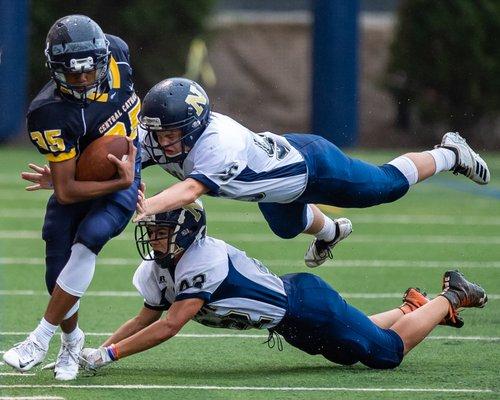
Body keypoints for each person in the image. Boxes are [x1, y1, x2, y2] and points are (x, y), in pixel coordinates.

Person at [23, 77, 491, 268]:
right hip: (272, 190)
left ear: (194, 126)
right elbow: (122, 155)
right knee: (289, 226)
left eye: (170, 134)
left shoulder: (216, 143)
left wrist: (149, 206)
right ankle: (331, 231)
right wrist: (63, 171)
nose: (160, 141)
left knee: (384, 187)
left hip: (309, 165)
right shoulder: (161, 134)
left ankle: (449, 152)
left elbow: (188, 189)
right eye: (156, 132)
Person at [78, 202, 487, 371]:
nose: (153, 239)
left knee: (386, 354)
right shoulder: (160, 269)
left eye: (161, 230)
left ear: (187, 230)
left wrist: (109, 355)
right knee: (356, 349)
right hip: (290, 320)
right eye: (152, 231)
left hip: (307, 306)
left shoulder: (202, 260)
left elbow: (169, 325)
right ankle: (411, 309)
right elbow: (142, 319)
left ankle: (451, 294)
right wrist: (92, 353)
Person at [3, 15, 141, 380]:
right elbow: (66, 192)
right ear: (54, 69)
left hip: (123, 169)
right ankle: (71, 342)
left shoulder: (119, 56)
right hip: (88, 180)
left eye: (87, 71)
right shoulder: (48, 111)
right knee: (56, 273)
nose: (81, 79)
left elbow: (132, 131)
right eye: (72, 73)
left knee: (91, 237)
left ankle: (38, 338)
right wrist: (109, 180)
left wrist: (128, 177)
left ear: (103, 57)